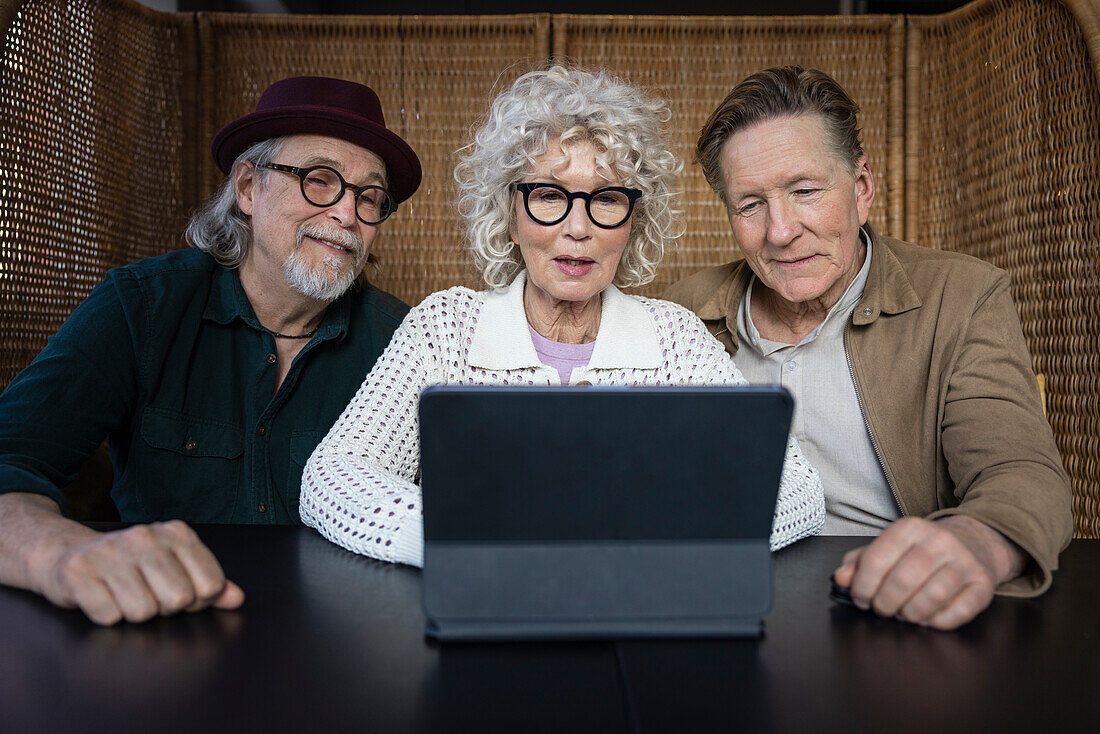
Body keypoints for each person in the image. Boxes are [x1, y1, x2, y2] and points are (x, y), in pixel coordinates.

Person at [300, 65, 825, 565]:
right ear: (508, 213)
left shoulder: (675, 338)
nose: (579, 228)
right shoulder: (444, 327)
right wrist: (471, 536)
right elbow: (332, 475)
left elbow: (796, 491)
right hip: (486, 606)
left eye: (607, 199)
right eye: (549, 195)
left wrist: (656, 536)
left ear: (633, 221)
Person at [0, 76, 421, 624]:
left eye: (369, 197)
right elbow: (11, 458)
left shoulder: (405, 342)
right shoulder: (142, 308)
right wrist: (62, 554)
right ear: (248, 187)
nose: (347, 214)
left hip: (343, 647)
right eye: (320, 180)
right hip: (162, 638)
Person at [664, 66, 1072, 630]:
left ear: (862, 187)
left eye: (805, 191)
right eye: (750, 205)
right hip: (723, 605)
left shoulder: (960, 297)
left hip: (890, 611)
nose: (780, 231)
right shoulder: (684, 312)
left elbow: (1020, 471)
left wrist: (976, 541)